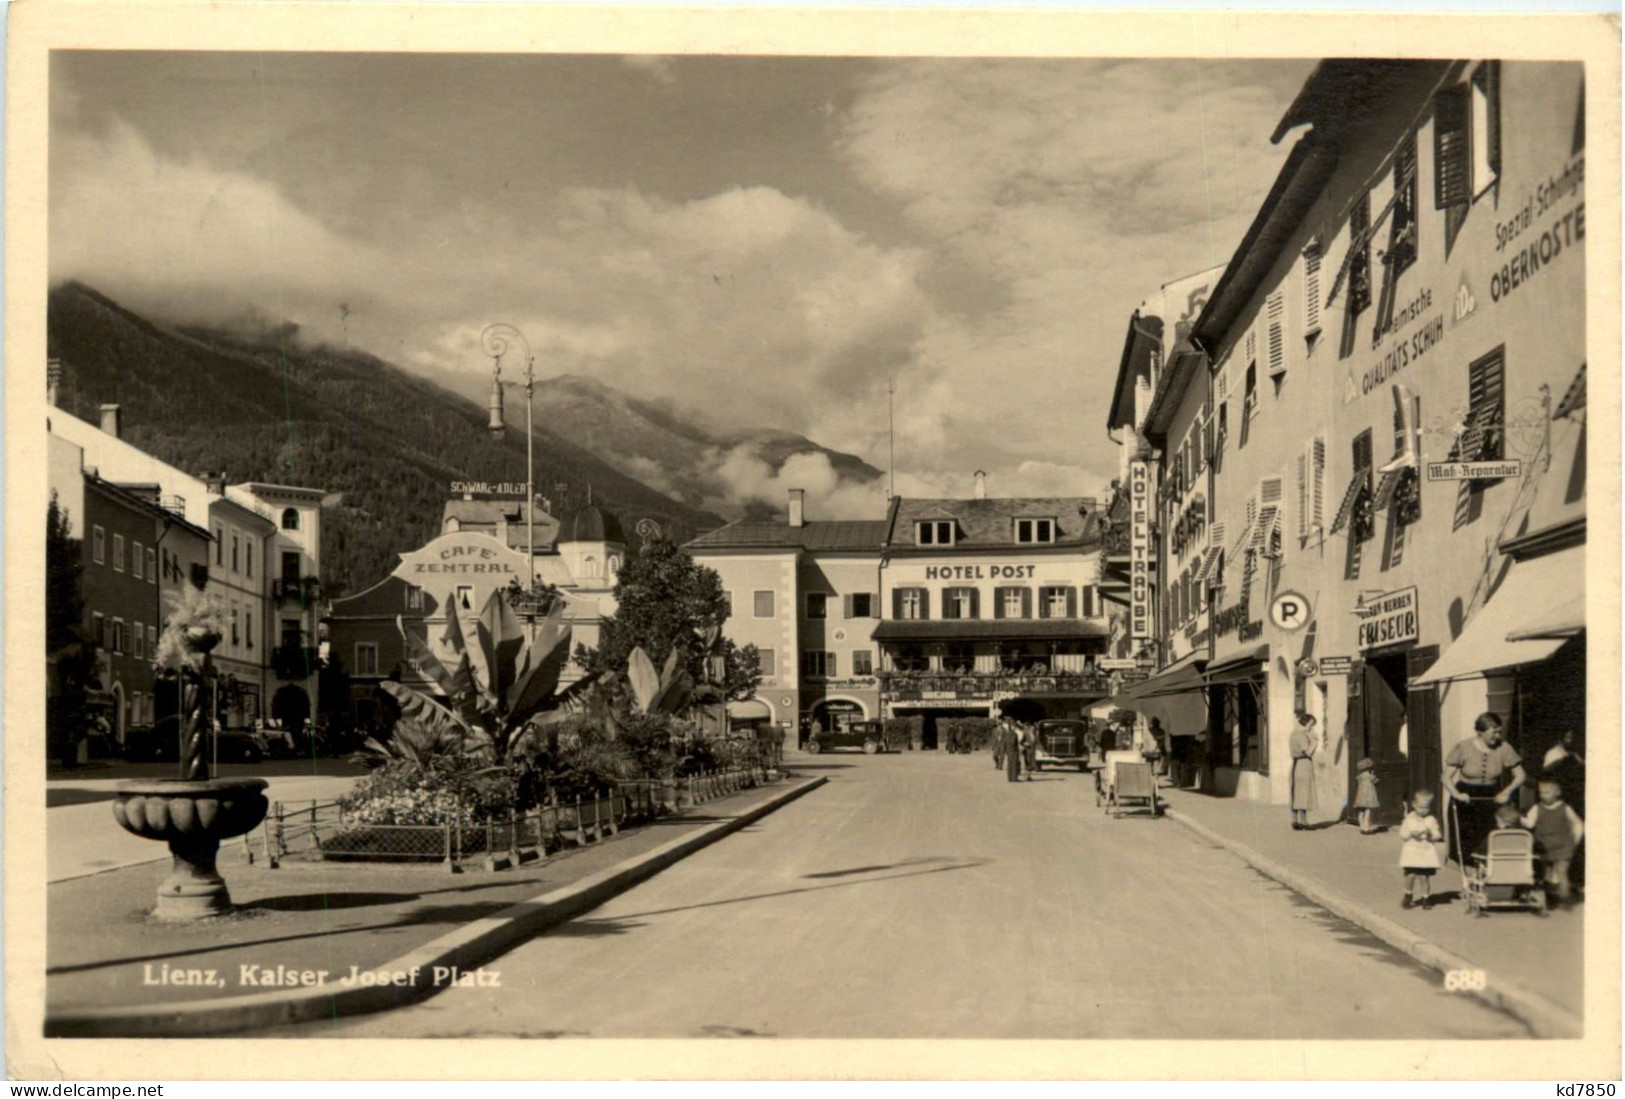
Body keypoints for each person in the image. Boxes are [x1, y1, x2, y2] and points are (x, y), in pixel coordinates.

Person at [1445, 712, 1526, 866]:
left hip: (1492, 796)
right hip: (1466, 796)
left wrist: (1506, 792)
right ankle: (1470, 879)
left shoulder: (1504, 747)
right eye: (1493, 731)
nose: (1497, 735)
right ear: (1480, 731)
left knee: (1491, 839)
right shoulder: (1463, 747)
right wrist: (1457, 794)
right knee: (1466, 843)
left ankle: (1488, 878)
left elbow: (1520, 775)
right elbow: (1445, 777)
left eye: (1499, 731)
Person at [1524, 775, 1584, 908]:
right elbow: (1529, 823)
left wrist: (1575, 841)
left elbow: (1578, 824)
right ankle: (1550, 898)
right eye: (1541, 792)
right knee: (1547, 872)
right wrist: (1523, 820)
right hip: (1545, 845)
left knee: (1562, 870)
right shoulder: (1537, 808)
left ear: (1557, 793)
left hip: (1563, 845)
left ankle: (1566, 899)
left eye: (1547, 792)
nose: (1543, 795)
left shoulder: (1565, 808)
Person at [1399, 789, 1444, 910]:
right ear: (1414, 805)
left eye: (1427, 808)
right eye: (1421, 807)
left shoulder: (1431, 820)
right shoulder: (1409, 819)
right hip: (1412, 852)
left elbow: (1437, 835)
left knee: (1424, 877)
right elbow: (1403, 834)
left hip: (1426, 853)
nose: (1423, 811)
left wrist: (1430, 834)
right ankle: (1408, 894)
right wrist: (1410, 834)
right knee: (1411, 875)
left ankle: (1425, 898)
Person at [1288, 711, 1319, 830]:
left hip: (1295, 764)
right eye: (1311, 725)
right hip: (1304, 764)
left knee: (1295, 793)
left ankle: (1294, 820)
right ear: (1306, 723)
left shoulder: (1293, 733)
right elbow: (1308, 752)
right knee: (1304, 793)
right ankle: (1304, 822)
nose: (1311, 728)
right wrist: (1315, 741)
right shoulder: (1302, 735)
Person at [1353, 757, 1381, 834]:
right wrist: (1373, 775)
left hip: (1361, 796)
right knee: (1368, 810)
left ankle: (1361, 827)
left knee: (1361, 811)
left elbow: (1357, 780)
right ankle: (1366, 827)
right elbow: (1376, 781)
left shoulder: (1360, 776)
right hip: (1368, 795)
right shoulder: (1370, 776)